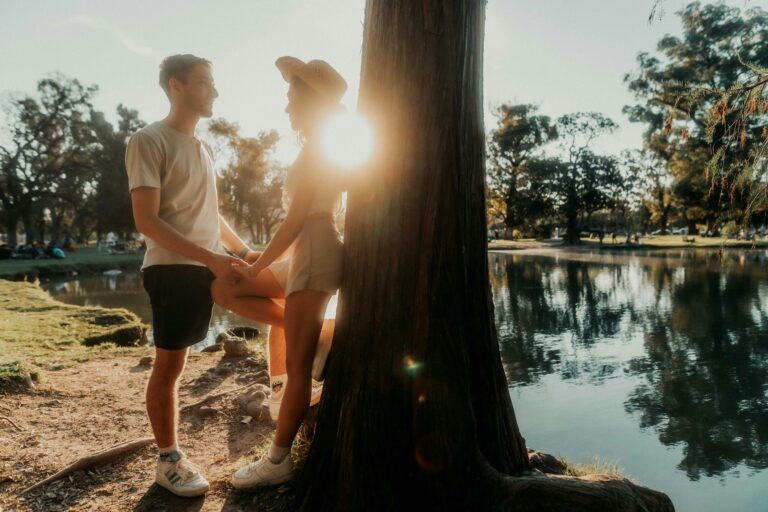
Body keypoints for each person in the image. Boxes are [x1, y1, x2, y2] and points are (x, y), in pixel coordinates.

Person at [211, 57, 345, 490]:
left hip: (313, 251)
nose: (286, 107)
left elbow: (292, 224)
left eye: (292, 98)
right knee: (224, 287)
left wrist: (258, 263)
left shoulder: (323, 147)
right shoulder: (316, 147)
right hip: (304, 252)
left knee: (298, 365)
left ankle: (278, 460)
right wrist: (252, 264)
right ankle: (318, 328)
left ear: (311, 102)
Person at [126, 54, 256, 498]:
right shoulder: (148, 139)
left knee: (277, 292)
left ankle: (295, 386)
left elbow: (211, 213)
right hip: (173, 269)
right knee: (170, 366)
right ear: (176, 86)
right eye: (205, 83)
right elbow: (147, 221)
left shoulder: (203, 147)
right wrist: (213, 257)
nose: (214, 91)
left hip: (210, 263)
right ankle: (168, 459)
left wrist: (241, 251)